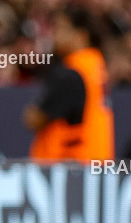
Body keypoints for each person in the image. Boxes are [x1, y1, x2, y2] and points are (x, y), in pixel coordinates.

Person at [25, 9, 114, 163]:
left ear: (81, 35)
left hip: (69, 166)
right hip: (97, 161)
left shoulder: (72, 72)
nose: (54, 34)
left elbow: (36, 118)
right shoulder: (96, 65)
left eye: (60, 28)